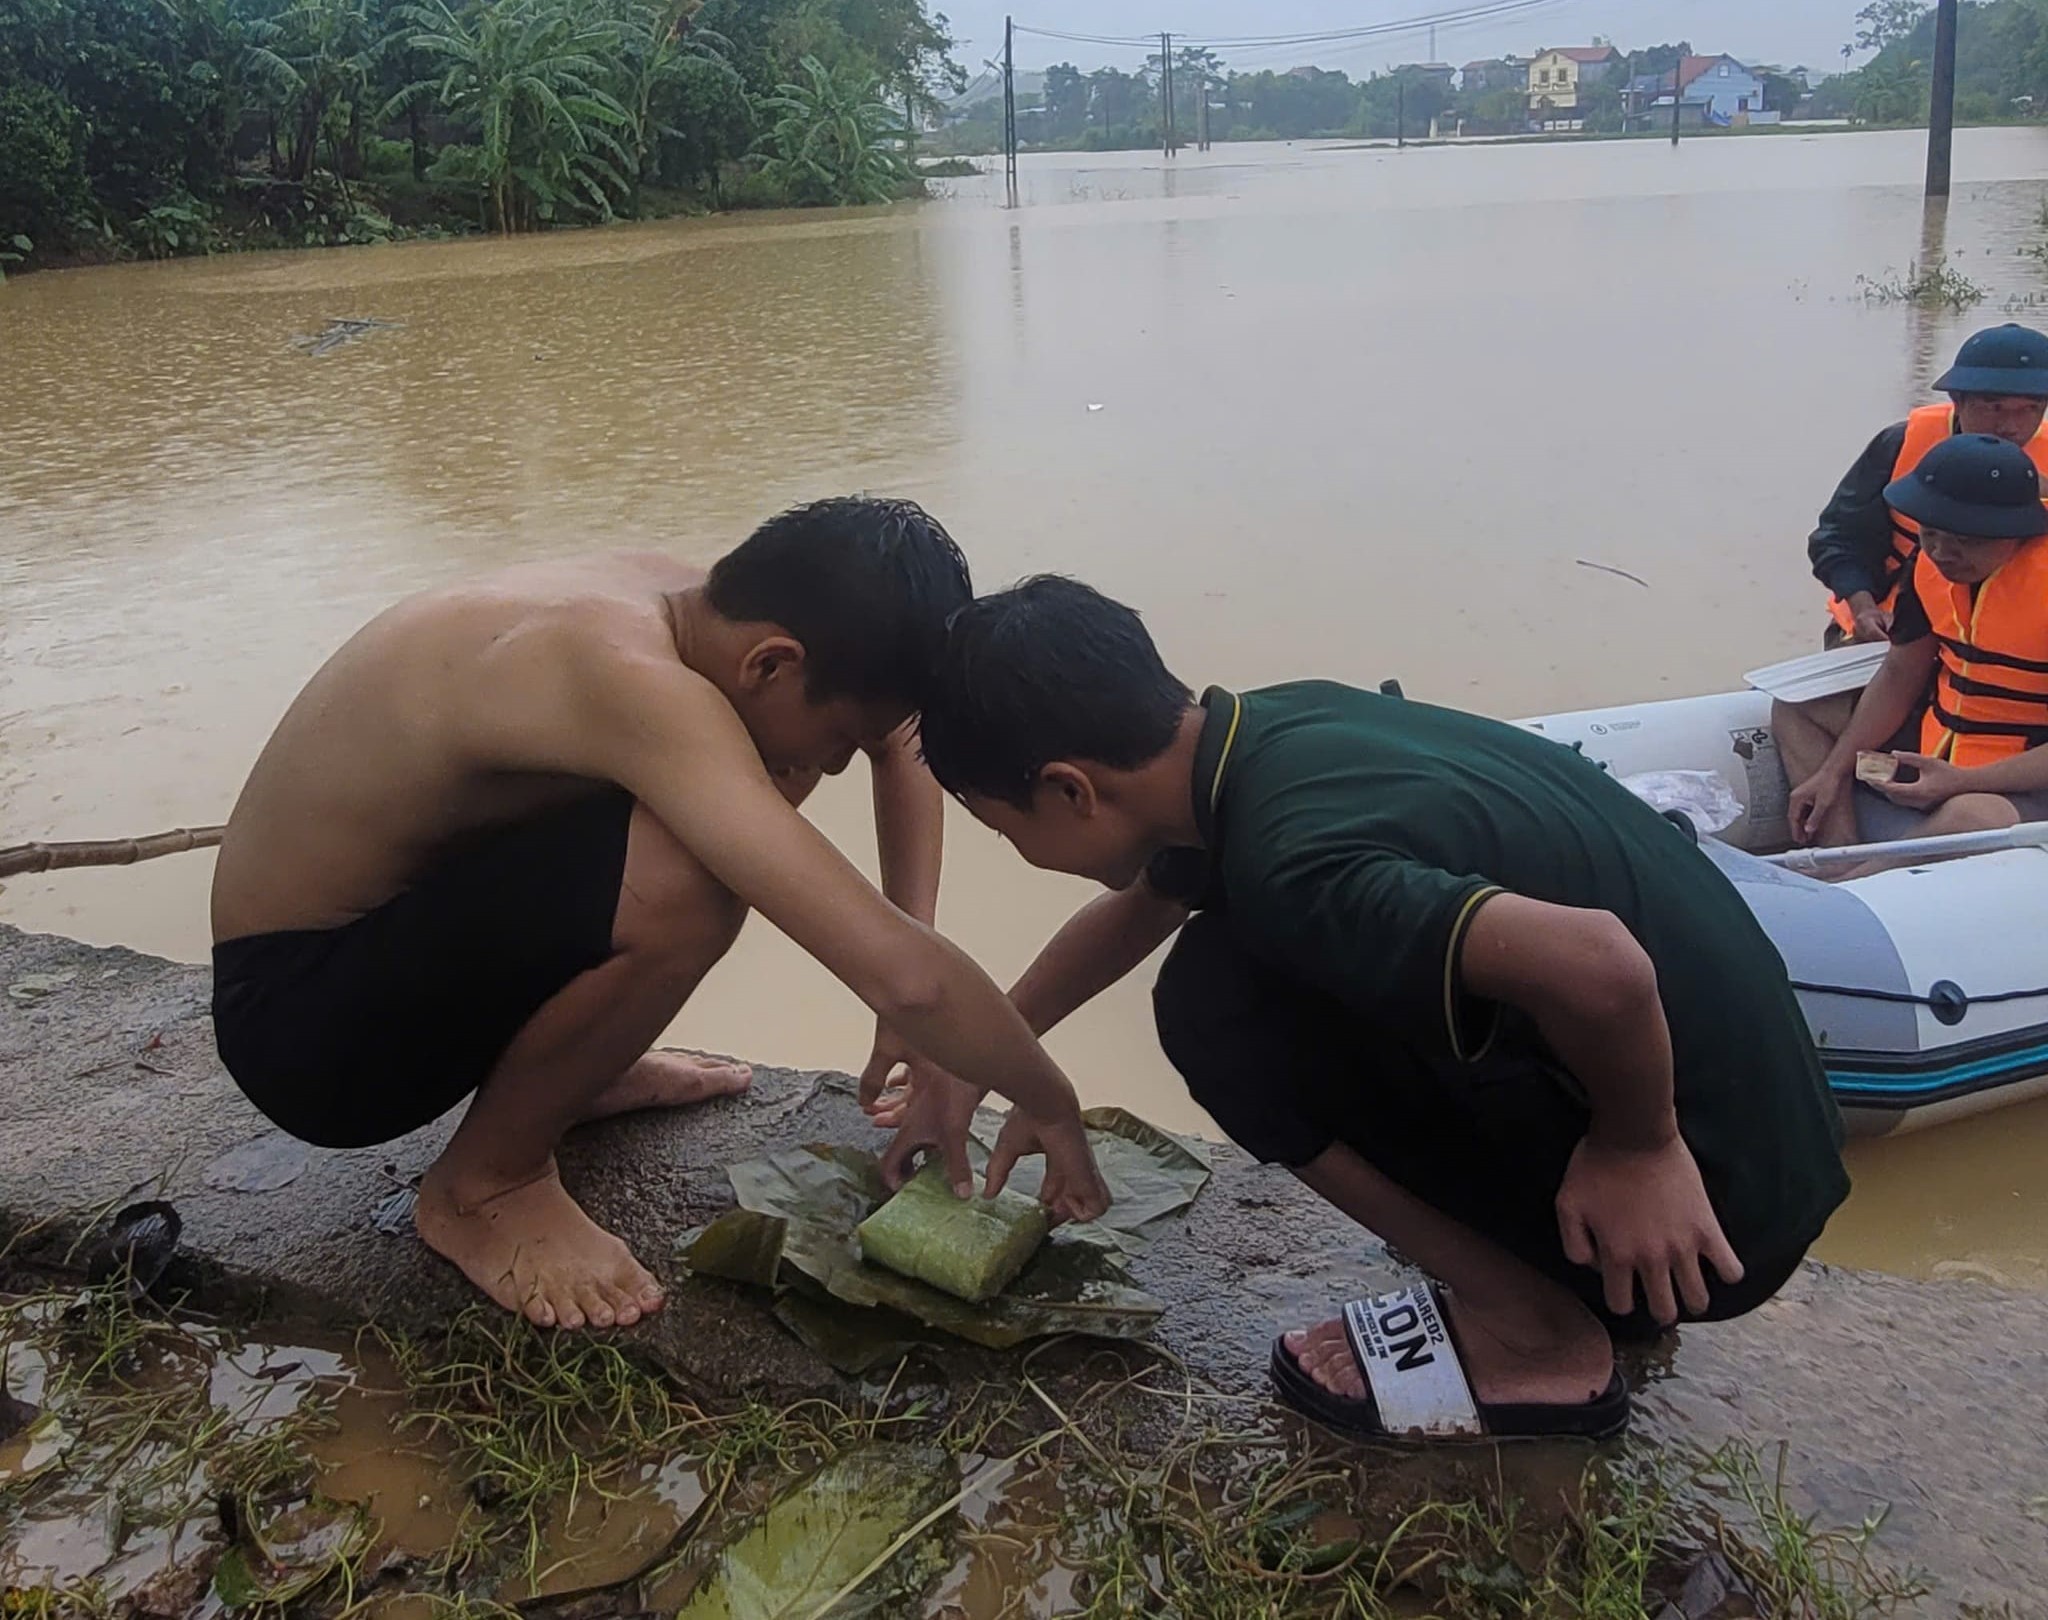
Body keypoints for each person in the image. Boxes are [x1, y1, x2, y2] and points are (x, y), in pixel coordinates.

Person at [872, 577, 1848, 1442]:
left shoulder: (1293, 864)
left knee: (1214, 1010)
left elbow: (1601, 966)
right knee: (1237, 953)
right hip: (1765, 1136)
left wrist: (1637, 1150)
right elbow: (1149, 901)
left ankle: (1533, 1335)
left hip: (1716, 1205)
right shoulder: (1259, 737)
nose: (1014, 850)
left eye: (1003, 830)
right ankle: (1565, 1268)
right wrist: (976, 1052)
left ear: (1068, 791)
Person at [210, 499, 1110, 1333]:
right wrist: (1047, 1097)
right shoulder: (627, 676)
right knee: (694, 872)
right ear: (775, 662)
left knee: (754, 775)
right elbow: (906, 974)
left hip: (396, 942)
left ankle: (568, 1069)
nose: (840, 766)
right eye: (840, 737)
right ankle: (486, 1185)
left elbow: (896, 738)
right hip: (307, 1031)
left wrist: (909, 952)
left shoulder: (707, 606)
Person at [1782, 434, 2048, 855]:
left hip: (2022, 776)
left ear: (2019, 533)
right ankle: (1837, 854)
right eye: (1931, 533)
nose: (1943, 553)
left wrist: (1964, 782)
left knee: (1975, 818)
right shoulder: (1929, 564)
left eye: (1969, 540)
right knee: (1799, 709)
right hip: (1939, 746)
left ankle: (1859, 887)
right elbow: (1902, 670)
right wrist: (1834, 770)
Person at [1809, 322, 2048, 646]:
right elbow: (1839, 537)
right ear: (1958, 400)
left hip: (2003, 637)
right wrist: (1863, 608)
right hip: (1883, 626)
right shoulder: (1901, 444)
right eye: (1993, 407)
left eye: (2031, 408)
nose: (2010, 426)